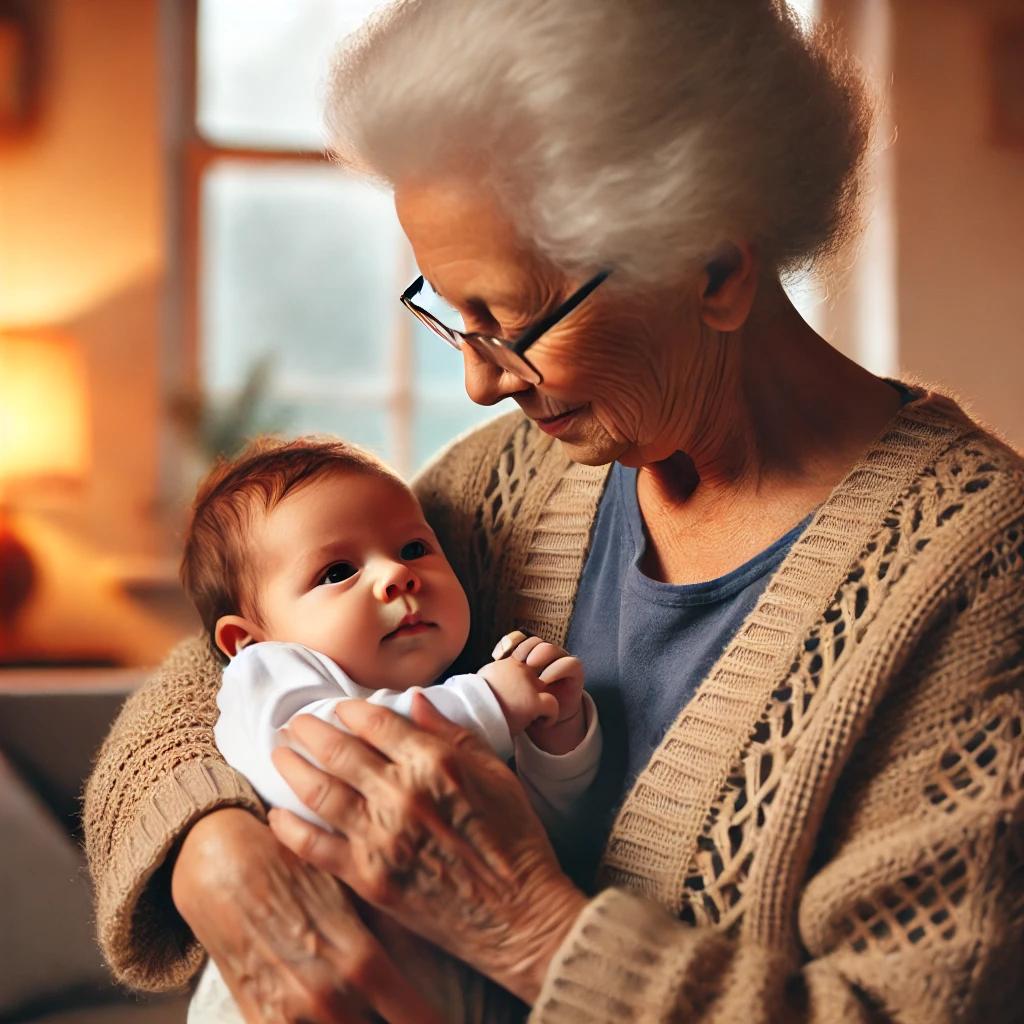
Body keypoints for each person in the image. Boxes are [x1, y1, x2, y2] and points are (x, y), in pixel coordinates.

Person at [85, 2, 1024, 1021]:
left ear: (712, 266)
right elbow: (223, 663)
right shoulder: (514, 478)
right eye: (453, 317)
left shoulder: (976, 570)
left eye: (510, 320)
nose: (484, 383)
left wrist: (527, 926)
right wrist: (215, 851)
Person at [177, 436, 599, 1022]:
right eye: (338, 571)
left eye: (414, 547)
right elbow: (320, 775)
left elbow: (533, 843)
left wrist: (556, 743)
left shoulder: (447, 688)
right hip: (298, 991)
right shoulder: (269, 675)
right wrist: (488, 704)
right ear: (247, 637)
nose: (397, 575)